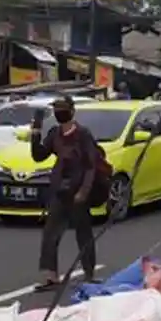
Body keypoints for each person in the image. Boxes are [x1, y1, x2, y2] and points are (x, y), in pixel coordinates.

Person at [30, 96, 99, 290]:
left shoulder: (83, 134)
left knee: (83, 233)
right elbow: (38, 156)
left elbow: (91, 166)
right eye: (56, 109)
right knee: (50, 233)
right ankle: (51, 276)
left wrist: (84, 191)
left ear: (71, 111)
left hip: (77, 191)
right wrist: (35, 131)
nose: (59, 112)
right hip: (59, 190)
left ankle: (89, 273)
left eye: (62, 108)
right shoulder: (54, 134)